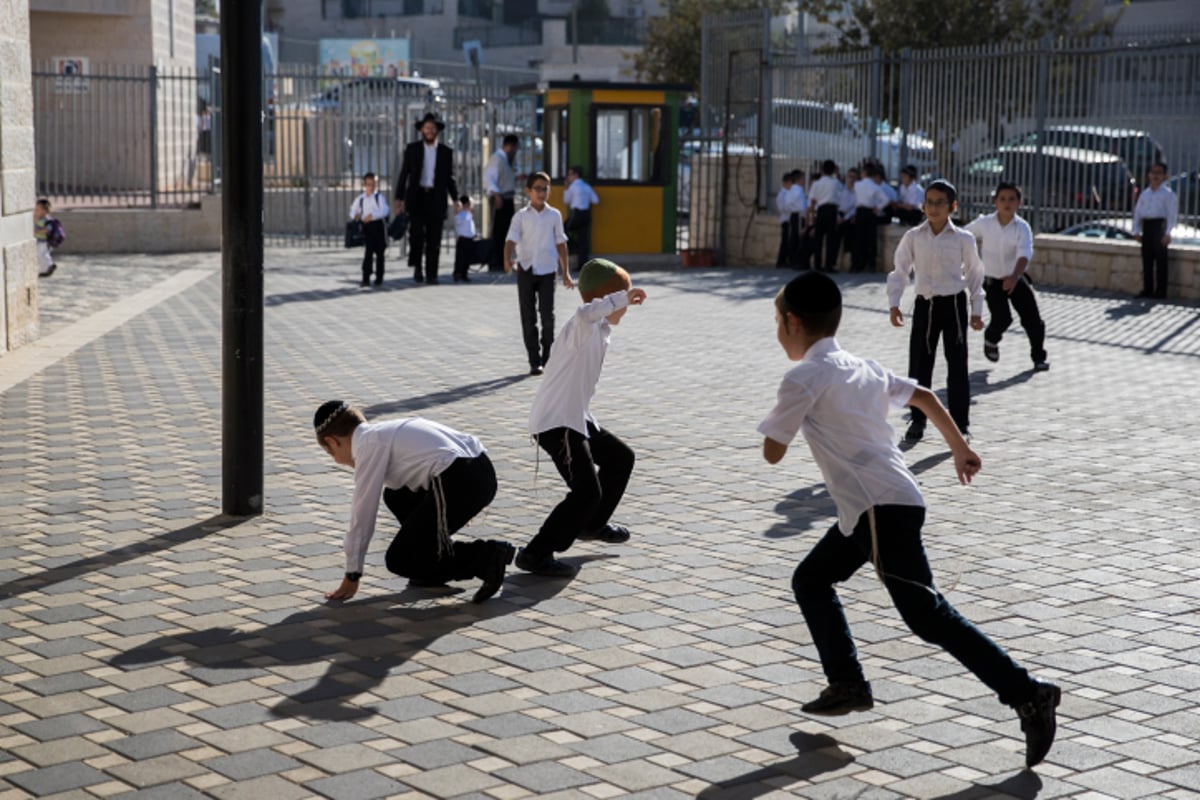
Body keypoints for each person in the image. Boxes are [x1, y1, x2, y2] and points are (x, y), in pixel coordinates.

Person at [758, 270, 1060, 769]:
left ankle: (1027, 693)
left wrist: (786, 418)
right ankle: (847, 683)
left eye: (776, 321)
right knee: (811, 579)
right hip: (877, 507)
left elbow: (772, 452)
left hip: (880, 508)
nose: (776, 330)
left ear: (792, 323)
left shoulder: (804, 377)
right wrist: (960, 448)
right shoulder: (862, 366)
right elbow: (924, 395)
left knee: (928, 616)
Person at [312, 401, 515, 604]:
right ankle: (431, 567)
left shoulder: (367, 445)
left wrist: (352, 573)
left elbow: (362, 514)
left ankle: (487, 556)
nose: (337, 461)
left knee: (400, 559)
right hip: (475, 468)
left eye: (331, 454)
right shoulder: (383, 431)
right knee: (395, 495)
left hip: (461, 479)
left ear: (332, 441)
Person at [519, 259, 647, 577]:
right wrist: (622, 297)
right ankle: (535, 553)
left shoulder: (599, 329)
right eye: (622, 297)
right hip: (556, 423)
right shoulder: (582, 326)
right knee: (586, 492)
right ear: (605, 298)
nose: (627, 305)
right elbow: (585, 311)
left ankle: (592, 525)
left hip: (577, 419)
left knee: (620, 458)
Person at [887, 180, 985, 442]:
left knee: (957, 365)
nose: (933, 208)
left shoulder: (963, 238)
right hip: (925, 306)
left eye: (940, 203)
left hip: (953, 305)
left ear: (952, 206)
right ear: (923, 205)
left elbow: (975, 272)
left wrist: (977, 309)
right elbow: (900, 270)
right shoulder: (914, 237)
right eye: (929, 202)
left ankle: (961, 425)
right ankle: (918, 421)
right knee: (920, 364)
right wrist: (894, 303)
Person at [965, 183, 1049, 372]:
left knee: (1033, 320)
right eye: (1002, 199)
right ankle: (991, 339)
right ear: (995, 202)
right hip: (992, 282)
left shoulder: (1022, 228)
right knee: (1002, 318)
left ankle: (1039, 358)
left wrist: (1014, 276)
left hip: (1016, 279)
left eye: (1012, 199)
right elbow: (964, 235)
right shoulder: (984, 223)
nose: (1007, 203)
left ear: (1019, 203)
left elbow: (1024, 254)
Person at [505, 172, 573, 375]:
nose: (542, 193)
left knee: (548, 317)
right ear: (528, 191)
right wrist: (507, 258)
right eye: (538, 188)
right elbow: (510, 239)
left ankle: (548, 358)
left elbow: (561, 243)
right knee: (528, 317)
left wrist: (565, 273)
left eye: (546, 189)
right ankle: (534, 360)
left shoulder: (554, 215)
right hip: (525, 270)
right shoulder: (521, 216)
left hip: (547, 271)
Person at [394, 113, 459, 285]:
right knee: (416, 235)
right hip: (417, 197)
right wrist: (399, 198)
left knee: (434, 238)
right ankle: (417, 267)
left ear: (437, 130)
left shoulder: (445, 152)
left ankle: (432, 274)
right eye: (427, 128)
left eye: (433, 128)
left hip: (436, 198)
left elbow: (449, 177)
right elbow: (404, 175)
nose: (430, 131)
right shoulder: (412, 149)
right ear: (422, 130)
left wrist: (456, 199)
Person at [1132, 161, 1178, 299]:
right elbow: (1138, 213)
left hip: (1160, 226)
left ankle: (1161, 291)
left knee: (1161, 260)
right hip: (1148, 225)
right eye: (1153, 173)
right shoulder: (1145, 194)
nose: (1155, 176)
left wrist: (1168, 233)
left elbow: (1172, 216)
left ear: (1165, 176)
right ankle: (1147, 289)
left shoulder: (1168, 194)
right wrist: (1136, 230)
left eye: (1159, 173)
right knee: (1147, 259)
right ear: (1148, 175)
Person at [485, 134, 520, 273]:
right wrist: (496, 195)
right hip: (500, 199)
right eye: (515, 148)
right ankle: (496, 261)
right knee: (499, 231)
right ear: (510, 146)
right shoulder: (497, 159)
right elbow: (489, 179)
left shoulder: (505, 160)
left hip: (507, 198)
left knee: (506, 230)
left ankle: (503, 259)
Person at [349, 172, 389, 287]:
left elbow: (385, 210)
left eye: (373, 184)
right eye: (368, 184)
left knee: (380, 253)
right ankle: (366, 277)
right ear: (364, 185)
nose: (370, 187)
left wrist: (373, 215)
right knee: (368, 252)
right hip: (367, 228)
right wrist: (356, 215)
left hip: (378, 227)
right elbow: (353, 211)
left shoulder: (378, 197)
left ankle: (379, 276)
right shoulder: (360, 199)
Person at [852, 164, 888, 272]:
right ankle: (871, 265)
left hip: (860, 211)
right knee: (871, 239)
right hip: (871, 212)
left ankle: (857, 264)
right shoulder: (875, 187)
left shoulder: (857, 184)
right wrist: (878, 208)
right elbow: (885, 200)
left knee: (859, 239)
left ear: (864, 173)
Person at [808, 160, 843, 272]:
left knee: (818, 239)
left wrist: (813, 216)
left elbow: (812, 202)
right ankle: (829, 264)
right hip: (831, 210)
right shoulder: (836, 183)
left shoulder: (816, 184)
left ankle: (817, 264)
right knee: (831, 240)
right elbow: (840, 198)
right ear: (833, 170)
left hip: (821, 210)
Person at [563, 166, 600, 269]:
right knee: (583, 239)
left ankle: (573, 248)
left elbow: (566, 201)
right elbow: (596, 200)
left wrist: (566, 189)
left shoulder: (573, 187)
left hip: (576, 213)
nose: (568, 177)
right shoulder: (587, 186)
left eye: (570, 174)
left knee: (562, 229)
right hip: (586, 213)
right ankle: (582, 264)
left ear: (575, 175)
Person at [833, 168, 859, 271]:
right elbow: (836, 206)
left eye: (853, 177)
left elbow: (855, 208)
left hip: (850, 220)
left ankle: (852, 264)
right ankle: (833, 263)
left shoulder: (858, 193)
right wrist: (839, 218)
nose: (851, 180)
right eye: (849, 177)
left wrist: (846, 218)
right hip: (840, 218)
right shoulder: (840, 191)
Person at [33, 198, 62, 277]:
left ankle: (50, 266)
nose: (35, 211)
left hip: (43, 241)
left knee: (42, 254)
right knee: (41, 255)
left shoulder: (46, 220)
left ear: (44, 211)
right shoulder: (39, 219)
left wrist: (36, 232)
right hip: (39, 240)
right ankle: (45, 269)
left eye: (37, 210)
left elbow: (47, 229)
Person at [786, 170, 809, 268]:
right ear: (799, 179)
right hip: (799, 216)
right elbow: (802, 206)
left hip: (792, 215)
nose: (804, 181)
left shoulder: (790, 190)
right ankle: (798, 261)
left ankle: (792, 260)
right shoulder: (799, 190)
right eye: (803, 178)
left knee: (793, 238)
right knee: (800, 239)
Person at [453, 195, 477, 284]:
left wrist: (474, 234)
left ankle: (464, 273)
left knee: (467, 258)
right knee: (460, 258)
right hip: (462, 239)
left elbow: (471, 226)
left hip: (470, 239)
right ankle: (457, 273)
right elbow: (457, 223)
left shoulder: (469, 214)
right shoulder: (460, 215)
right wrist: (457, 211)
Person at [776, 171, 796, 268]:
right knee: (785, 241)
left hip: (789, 219)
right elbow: (782, 208)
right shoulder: (782, 194)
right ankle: (781, 261)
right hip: (785, 220)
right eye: (790, 183)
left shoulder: (788, 193)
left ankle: (785, 260)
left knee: (788, 241)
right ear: (786, 182)